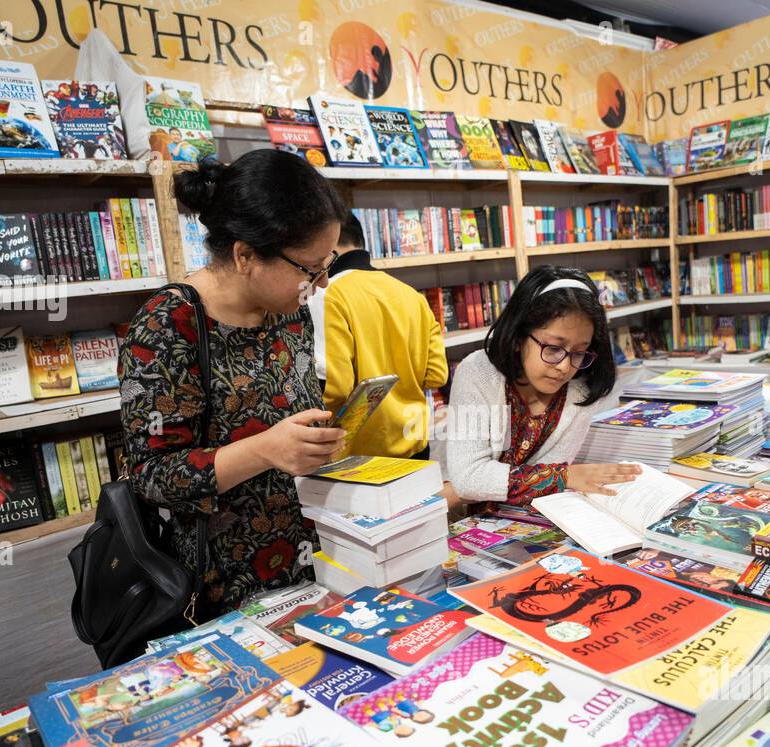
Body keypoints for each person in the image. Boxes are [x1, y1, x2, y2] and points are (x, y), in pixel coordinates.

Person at [119, 149, 347, 623]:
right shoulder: (168, 323)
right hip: (220, 585)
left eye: (327, 265)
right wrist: (265, 450)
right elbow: (151, 477)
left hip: (313, 556)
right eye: (310, 269)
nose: (321, 284)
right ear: (245, 254)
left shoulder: (289, 311)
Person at [446, 265, 639, 505]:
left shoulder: (582, 388)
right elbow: (468, 479)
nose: (565, 367)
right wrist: (562, 476)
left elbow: (546, 482)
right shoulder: (477, 372)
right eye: (554, 348)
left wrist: (555, 478)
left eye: (580, 352)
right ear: (518, 337)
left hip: (524, 518)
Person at [314, 211, 447, 460]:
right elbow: (436, 375)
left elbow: (337, 388)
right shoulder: (413, 296)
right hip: (415, 444)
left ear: (329, 241)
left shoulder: (325, 294)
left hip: (357, 455)